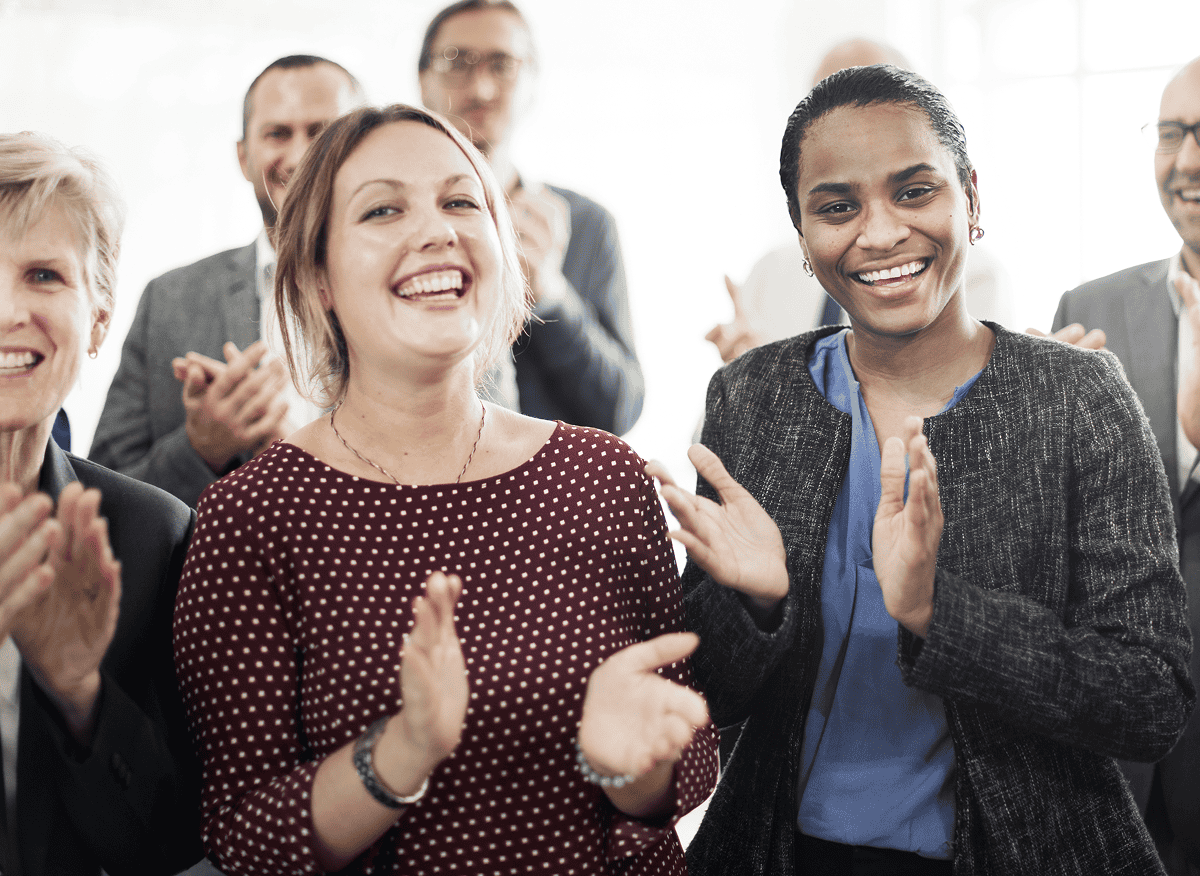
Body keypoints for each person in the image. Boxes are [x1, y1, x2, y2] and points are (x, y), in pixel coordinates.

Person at [648, 65, 1194, 875]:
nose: (878, 234)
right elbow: (704, 698)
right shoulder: (754, 399)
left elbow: (1150, 699)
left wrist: (940, 612)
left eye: (914, 192)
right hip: (784, 851)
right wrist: (757, 604)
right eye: (837, 207)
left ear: (972, 200)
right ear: (803, 237)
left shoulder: (1078, 400)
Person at [172, 104, 716, 876]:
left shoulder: (605, 475)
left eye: (462, 201)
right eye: (384, 209)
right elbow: (244, 837)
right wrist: (398, 755)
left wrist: (629, 769)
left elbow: (685, 755)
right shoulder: (250, 517)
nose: (436, 231)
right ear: (317, 276)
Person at [0, 132, 202, 876]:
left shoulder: (154, 536)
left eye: (44, 275)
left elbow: (172, 844)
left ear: (98, 321)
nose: (7, 310)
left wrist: (82, 696)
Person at [89, 55, 365, 510]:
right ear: (244, 156)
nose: (298, 157)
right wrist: (199, 447)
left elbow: (483, 480)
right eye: (278, 133)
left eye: (322, 132)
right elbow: (101, 503)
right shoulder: (170, 300)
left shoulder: (424, 294)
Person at [1050, 55, 1200, 876]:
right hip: (1115, 764)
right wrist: (1036, 434)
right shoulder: (1090, 309)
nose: (1186, 162)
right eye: (1172, 133)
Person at [706, 38, 1015, 365]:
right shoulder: (771, 273)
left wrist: (785, 380)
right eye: (826, 103)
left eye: (913, 192)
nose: (881, 236)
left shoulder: (975, 277)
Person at [417, 0, 644, 435]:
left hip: (555, 494)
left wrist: (551, 293)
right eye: (456, 61)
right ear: (423, 79)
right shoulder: (392, 227)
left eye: (501, 64)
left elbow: (619, 410)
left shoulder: (587, 224)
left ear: (533, 83)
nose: (480, 88)